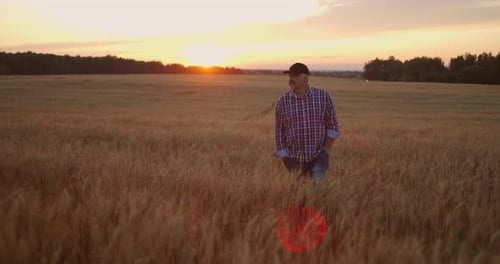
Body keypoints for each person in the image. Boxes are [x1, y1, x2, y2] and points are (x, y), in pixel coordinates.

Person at [274, 62, 340, 185]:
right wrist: (284, 156)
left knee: (316, 193)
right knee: (298, 195)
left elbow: (333, 126)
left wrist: (325, 151)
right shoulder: (282, 101)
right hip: (293, 159)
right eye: (289, 76)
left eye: (294, 76)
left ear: (305, 78)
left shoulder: (323, 96)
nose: (290, 79)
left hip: (319, 157)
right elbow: (279, 130)